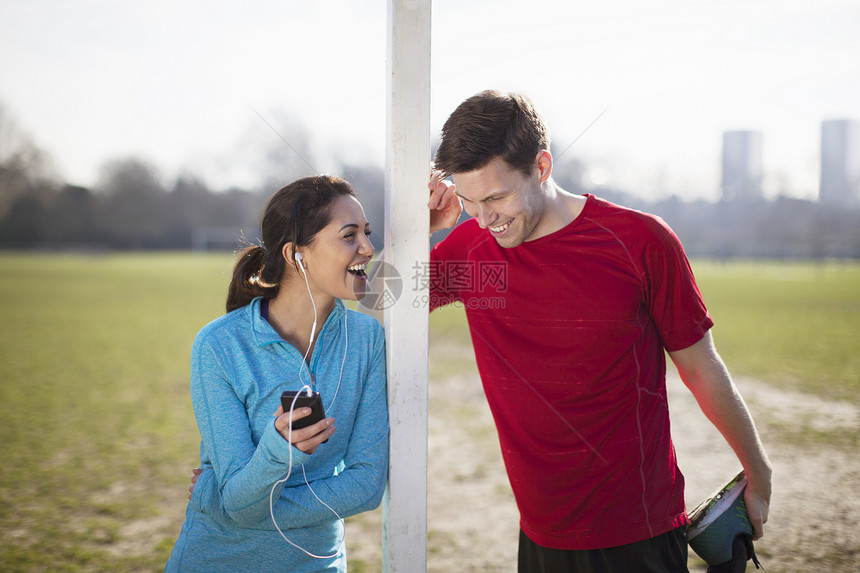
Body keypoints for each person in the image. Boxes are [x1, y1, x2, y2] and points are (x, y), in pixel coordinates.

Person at [426, 90, 772, 572]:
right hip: (540, 534)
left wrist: (759, 474)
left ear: (541, 167)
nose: (485, 218)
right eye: (469, 202)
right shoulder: (474, 250)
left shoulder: (639, 242)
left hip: (640, 531)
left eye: (496, 198)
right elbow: (379, 297)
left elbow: (701, 368)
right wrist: (419, 232)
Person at [166, 175, 389, 573]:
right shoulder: (219, 345)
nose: (368, 248)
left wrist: (223, 499)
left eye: (367, 233)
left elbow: (366, 485)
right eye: (349, 235)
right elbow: (241, 501)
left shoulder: (367, 339)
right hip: (217, 561)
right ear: (296, 254)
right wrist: (278, 450)